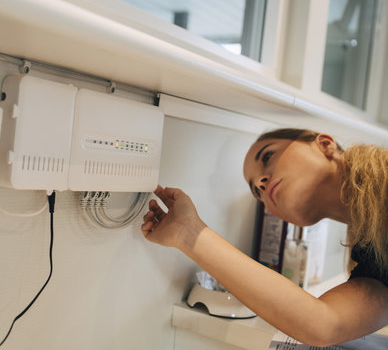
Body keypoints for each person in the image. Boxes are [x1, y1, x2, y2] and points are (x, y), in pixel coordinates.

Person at [142, 128, 388, 346]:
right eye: (255, 192)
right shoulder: (373, 256)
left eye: (268, 156)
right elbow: (325, 324)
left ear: (325, 144)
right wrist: (188, 233)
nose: (260, 183)